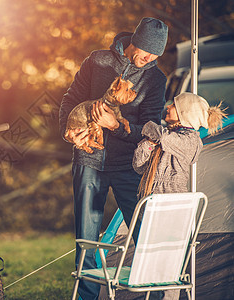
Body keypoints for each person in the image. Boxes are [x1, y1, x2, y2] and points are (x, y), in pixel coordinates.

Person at [59, 17, 168, 299]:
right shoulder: (97, 62)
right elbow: (71, 100)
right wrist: (68, 131)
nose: (150, 58)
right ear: (136, 42)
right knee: (86, 240)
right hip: (88, 162)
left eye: (156, 55)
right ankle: (86, 296)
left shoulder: (155, 79)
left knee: (144, 234)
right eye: (147, 52)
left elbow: (151, 131)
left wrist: (115, 126)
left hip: (129, 167)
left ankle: (153, 295)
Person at [132, 92, 226, 300]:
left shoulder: (190, 141)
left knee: (169, 262)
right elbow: (138, 165)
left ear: (185, 113)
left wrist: (148, 128)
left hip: (171, 206)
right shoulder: (166, 136)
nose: (167, 107)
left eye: (173, 105)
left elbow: (165, 139)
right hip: (151, 204)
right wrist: (148, 144)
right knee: (153, 263)